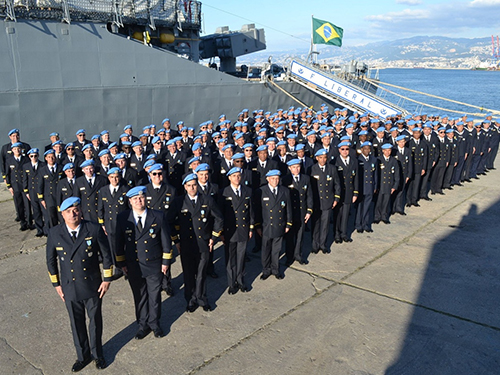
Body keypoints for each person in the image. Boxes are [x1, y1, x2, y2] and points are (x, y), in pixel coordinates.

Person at [46, 197, 113, 372]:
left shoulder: (93, 229)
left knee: (95, 322)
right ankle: (82, 356)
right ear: (63, 215)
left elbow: (107, 255)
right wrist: (57, 285)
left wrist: (106, 280)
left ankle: (98, 354)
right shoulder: (54, 233)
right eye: (68, 211)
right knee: (76, 324)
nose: (73, 214)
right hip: (69, 286)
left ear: (80, 211)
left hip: (92, 285)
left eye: (75, 210)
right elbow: (50, 260)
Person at [115, 186, 173, 339]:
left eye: (141, 198)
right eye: (135, 199)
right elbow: (118, 243)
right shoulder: (123, 218)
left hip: (154, 263)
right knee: (139, 297)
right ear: (130, 201)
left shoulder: (157, 216)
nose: (139, 201)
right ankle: (143, 325)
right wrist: (122, 264)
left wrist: (166, 262)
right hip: (134, 265)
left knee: (154, 296)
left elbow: (166, 241)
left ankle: (155, 324)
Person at [168, 173, 223, 312]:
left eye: (194, 185)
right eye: (189, 186)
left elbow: (219, 218)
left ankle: (202, 298)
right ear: (185, 187)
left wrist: (213, 238)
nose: (192, 188)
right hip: (186, 244)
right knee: (188, 273)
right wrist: (176, 241)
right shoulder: (178, 202)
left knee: (201, 273)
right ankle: (191, 300)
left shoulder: (207, 199)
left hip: (203, 243)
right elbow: (168, 222)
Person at [219, 167, 254, 294]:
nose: (237, 178)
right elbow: (220, 215)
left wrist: (251, 228)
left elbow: (251, 211)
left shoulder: (247, 191)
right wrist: (221, 232)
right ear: (229, 178)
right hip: (229, 231)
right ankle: (231, 282)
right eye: (234, 176)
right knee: (230, 258)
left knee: (241, 257)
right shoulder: (224, 193)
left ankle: (240, 280)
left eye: (239, 176)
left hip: (243, 229)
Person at [144, 163, 176, 295]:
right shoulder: (145, 190)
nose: (158, 176)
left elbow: (173, 212)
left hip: (165, 228)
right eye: (154, 174)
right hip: (150, 229)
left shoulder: (170, 189)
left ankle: (166, 283)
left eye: (160, 173)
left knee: (166, 255)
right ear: (150, 176)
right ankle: (155, 282)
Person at [254, 169, 292, 280]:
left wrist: (288, 224)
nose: (275, 181)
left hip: (279, 225)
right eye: (272, 178)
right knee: (265, 250)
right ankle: (266, 270)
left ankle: (275, 270)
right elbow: (257, 211)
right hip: (266, 226)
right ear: (267, 179)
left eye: (277, 178)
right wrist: (258, 226)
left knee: (276, 250)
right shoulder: (261, 191)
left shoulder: (284, 191)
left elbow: (288, 209)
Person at [97, 167, 130, 279]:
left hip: (122, 223)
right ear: (108, 178)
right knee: (113, 247)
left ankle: (127, 268)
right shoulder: (103, 190)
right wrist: (102, 224)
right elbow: (101, 208)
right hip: (109, 224)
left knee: (124, 246)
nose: (114, 179)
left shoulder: (126, 189)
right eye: (112, 177)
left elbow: (129, 208)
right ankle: (118, 267)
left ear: (120, 177)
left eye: (116, 177)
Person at [308, 149, 341, 254]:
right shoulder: (311, 169)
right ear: (317, 158)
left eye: (325, 158)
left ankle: (323, 244)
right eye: (320, 158)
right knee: (316, 224)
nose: (323, 160)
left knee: (325, 224)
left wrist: (336, 198)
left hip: (328, 200)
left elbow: (337, 184)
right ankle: (315, 245)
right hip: (316, 202)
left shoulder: (332, 169)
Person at [283, 159, 313, 265]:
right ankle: (289, 256)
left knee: (300, 236)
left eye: (298, 167)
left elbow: (309, 195)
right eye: (294, 167)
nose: (296, 169)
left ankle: (298, 255)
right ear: (289, 168)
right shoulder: (285, 180)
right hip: (290, 213)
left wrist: (309, 211)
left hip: (302, 212)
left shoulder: (305, 179)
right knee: (289, 237)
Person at [333, 141, 359, 243]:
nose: (345, 151)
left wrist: (355, 193)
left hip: (349, 192)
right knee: (338, 214)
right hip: (339, 193)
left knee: (346, 214)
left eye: (347, 149)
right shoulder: (335, 162)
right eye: (342, 149)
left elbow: (356, 178)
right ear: (339, 150)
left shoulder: (353, 161)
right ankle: (336, 234)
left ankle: (344, 233)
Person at [5, 142, 30, 231]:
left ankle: (29, 222)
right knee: (19, 205)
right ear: (12, 150)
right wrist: (9, 186)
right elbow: (7, 174)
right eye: (15, 149)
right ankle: (23, 222)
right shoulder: (9, 161)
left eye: (18, 148)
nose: (17, 150)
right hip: (15, 186)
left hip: (25, 185)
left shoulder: (26, 159)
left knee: (27, 205)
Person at [374, 144, 400, 224]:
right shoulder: (378, 160)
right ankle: (377, 216)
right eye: (386, 150)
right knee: (378, 202)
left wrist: (394, 186)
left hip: (389, 185)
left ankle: (384, 216)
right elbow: (376, 174)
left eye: (389, 150)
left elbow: (396, 174)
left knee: (386, 201)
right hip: (380, 185)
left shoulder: (394, 161)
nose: (387, 152)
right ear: (382, 151)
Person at [355, 142, 378, 233]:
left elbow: (375, 174)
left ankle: (366, 224)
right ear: (361, 150)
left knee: (367, 206)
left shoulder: (373, 160)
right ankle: (358, 224)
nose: (367, 150)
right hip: (361, 187)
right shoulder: (358, 160)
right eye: (365, 148)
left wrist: (375, 186)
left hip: (370, 186)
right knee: (360, 207)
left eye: (368, 149)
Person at [23, 148, 45, 237]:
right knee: (36, 211)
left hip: (41, 191)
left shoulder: (43, 165)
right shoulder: (26, 166)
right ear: (29, 156)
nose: (34, 158)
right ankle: (39, 229)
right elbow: (25, 179)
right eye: (32, 156)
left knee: (44, 210)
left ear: (38, 156)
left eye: (35, 156)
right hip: (32, 191)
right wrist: (26, 191)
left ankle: (46, 229)